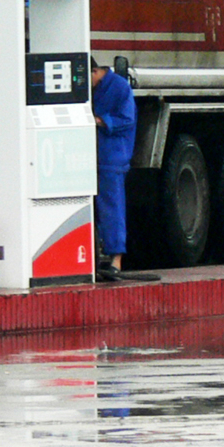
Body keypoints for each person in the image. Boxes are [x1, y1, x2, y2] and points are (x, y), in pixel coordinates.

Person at [91, 57, 137, 281]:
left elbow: (127, 119)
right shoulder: (96, 87)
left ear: (94, 71)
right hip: (93, 155)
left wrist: (101, 121)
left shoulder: (119, 86)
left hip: (112, 156)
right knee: (99, 208)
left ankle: (116, 260)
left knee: (112, 207)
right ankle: (96, 258)